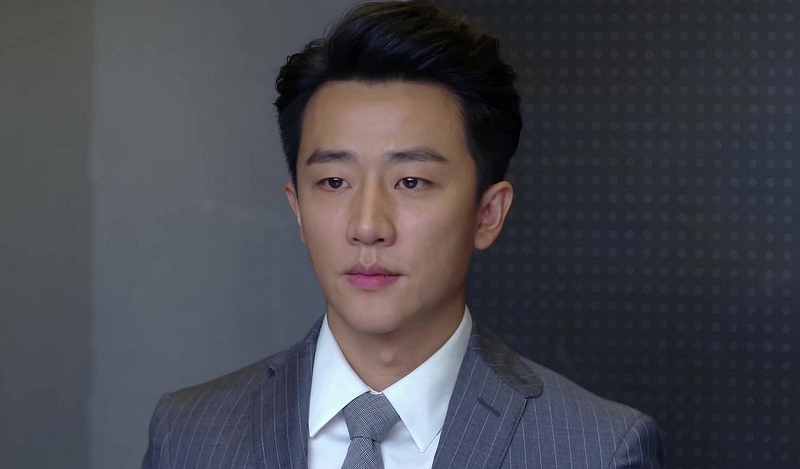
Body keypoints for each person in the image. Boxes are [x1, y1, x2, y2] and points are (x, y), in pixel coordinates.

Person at [142, 1, 663, 467]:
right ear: (297, 209)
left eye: (411, 181)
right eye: (334, 182)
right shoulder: (190, 434)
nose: (368, 226)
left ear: (488, 213)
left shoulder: (595, 449)